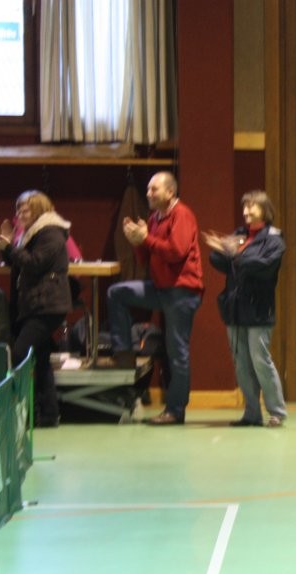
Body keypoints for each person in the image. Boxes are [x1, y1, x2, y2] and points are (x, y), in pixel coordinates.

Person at [107, 172, 203, 426]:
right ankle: (124, 351)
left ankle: (175, 411)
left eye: (154, 189)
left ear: (170, 192)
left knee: (177, 352)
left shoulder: (182, 214)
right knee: (117, 293)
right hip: (162, 289)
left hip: (182, 291)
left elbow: (176, 251)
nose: (149, 193)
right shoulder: (154, 217)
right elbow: (146, 260)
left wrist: (146, 238)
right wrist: (136, 241)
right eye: (148, 189)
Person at [205, 190, 287, 428]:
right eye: (244, 207)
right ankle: (251, 413)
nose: (246, 211)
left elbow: (263, 265)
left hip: (259, 310)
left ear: (265, 210)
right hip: (235, 309)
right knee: (241, 363)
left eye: (251, 206)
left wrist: (234, 254)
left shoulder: (274, 239)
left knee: (260, 360)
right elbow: (218, 260)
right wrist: (224, 251)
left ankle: (277, 412)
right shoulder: (240, 235)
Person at [0, 191, 72, 428]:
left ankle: (23, 409)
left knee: (20, 352)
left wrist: (10, 249)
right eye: (18, 208)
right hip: (37, 303)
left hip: (48, 304)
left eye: (24, 209)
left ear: (38, 209)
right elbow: (20, 263)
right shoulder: (31, 233)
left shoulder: (50, 232)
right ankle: (48, 414)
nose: (19, 213)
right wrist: (6, 247)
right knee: (41, 359)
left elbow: (35, 263)